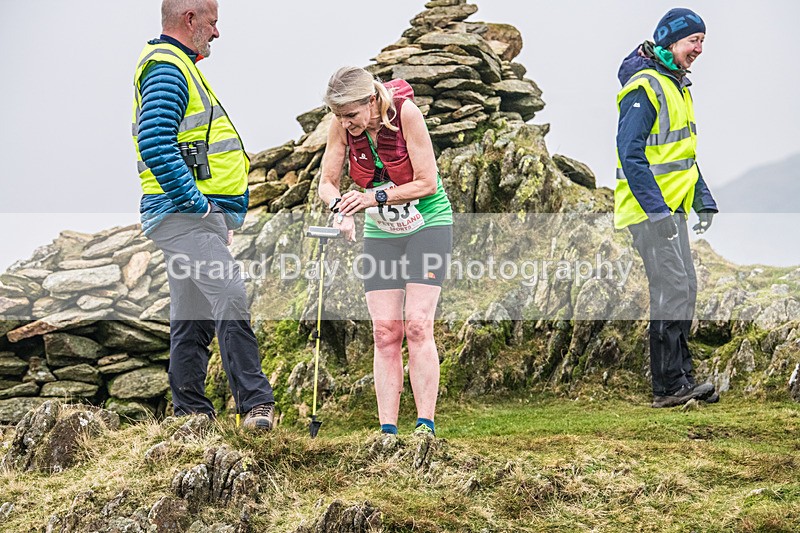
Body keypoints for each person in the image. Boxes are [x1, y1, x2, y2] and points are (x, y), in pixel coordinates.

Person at [131, 0, 276, 429]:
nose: (216, 33)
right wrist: (199, 206)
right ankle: (255, 405)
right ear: (189, 19)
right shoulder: (167, 68)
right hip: (183, 213)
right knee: (229, 291)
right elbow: (155, 143)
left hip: (192, 216)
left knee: (191, 316)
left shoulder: (178, 66)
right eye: (212, 23)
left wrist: (215, 216)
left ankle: (190, 415)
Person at [318, 67, 453, 436]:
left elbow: (426, 182)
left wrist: (371, 197)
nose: (345, 124)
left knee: (418, 325)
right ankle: (387, 431)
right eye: (339, 117)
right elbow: (327, 183)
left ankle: (425, 424)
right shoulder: (341, 126)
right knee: (384, 331)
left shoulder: (406, 114)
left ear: (371, 100)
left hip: (429, 224)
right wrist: (340, 209)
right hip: (383, 231)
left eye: (351, 116)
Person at [614, 8, 720, 408]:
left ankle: (683, 379)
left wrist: (702, 199)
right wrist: (657, 213)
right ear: (670, 40)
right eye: (694, 40)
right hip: (648, 212)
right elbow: (631, 154)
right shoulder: (645, 87)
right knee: (670, 290)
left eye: (703, 42)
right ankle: (668, 387)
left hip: (671, 208)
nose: (699, 49)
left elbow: (682, 155)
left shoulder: (678, 85)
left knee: (684, 288)